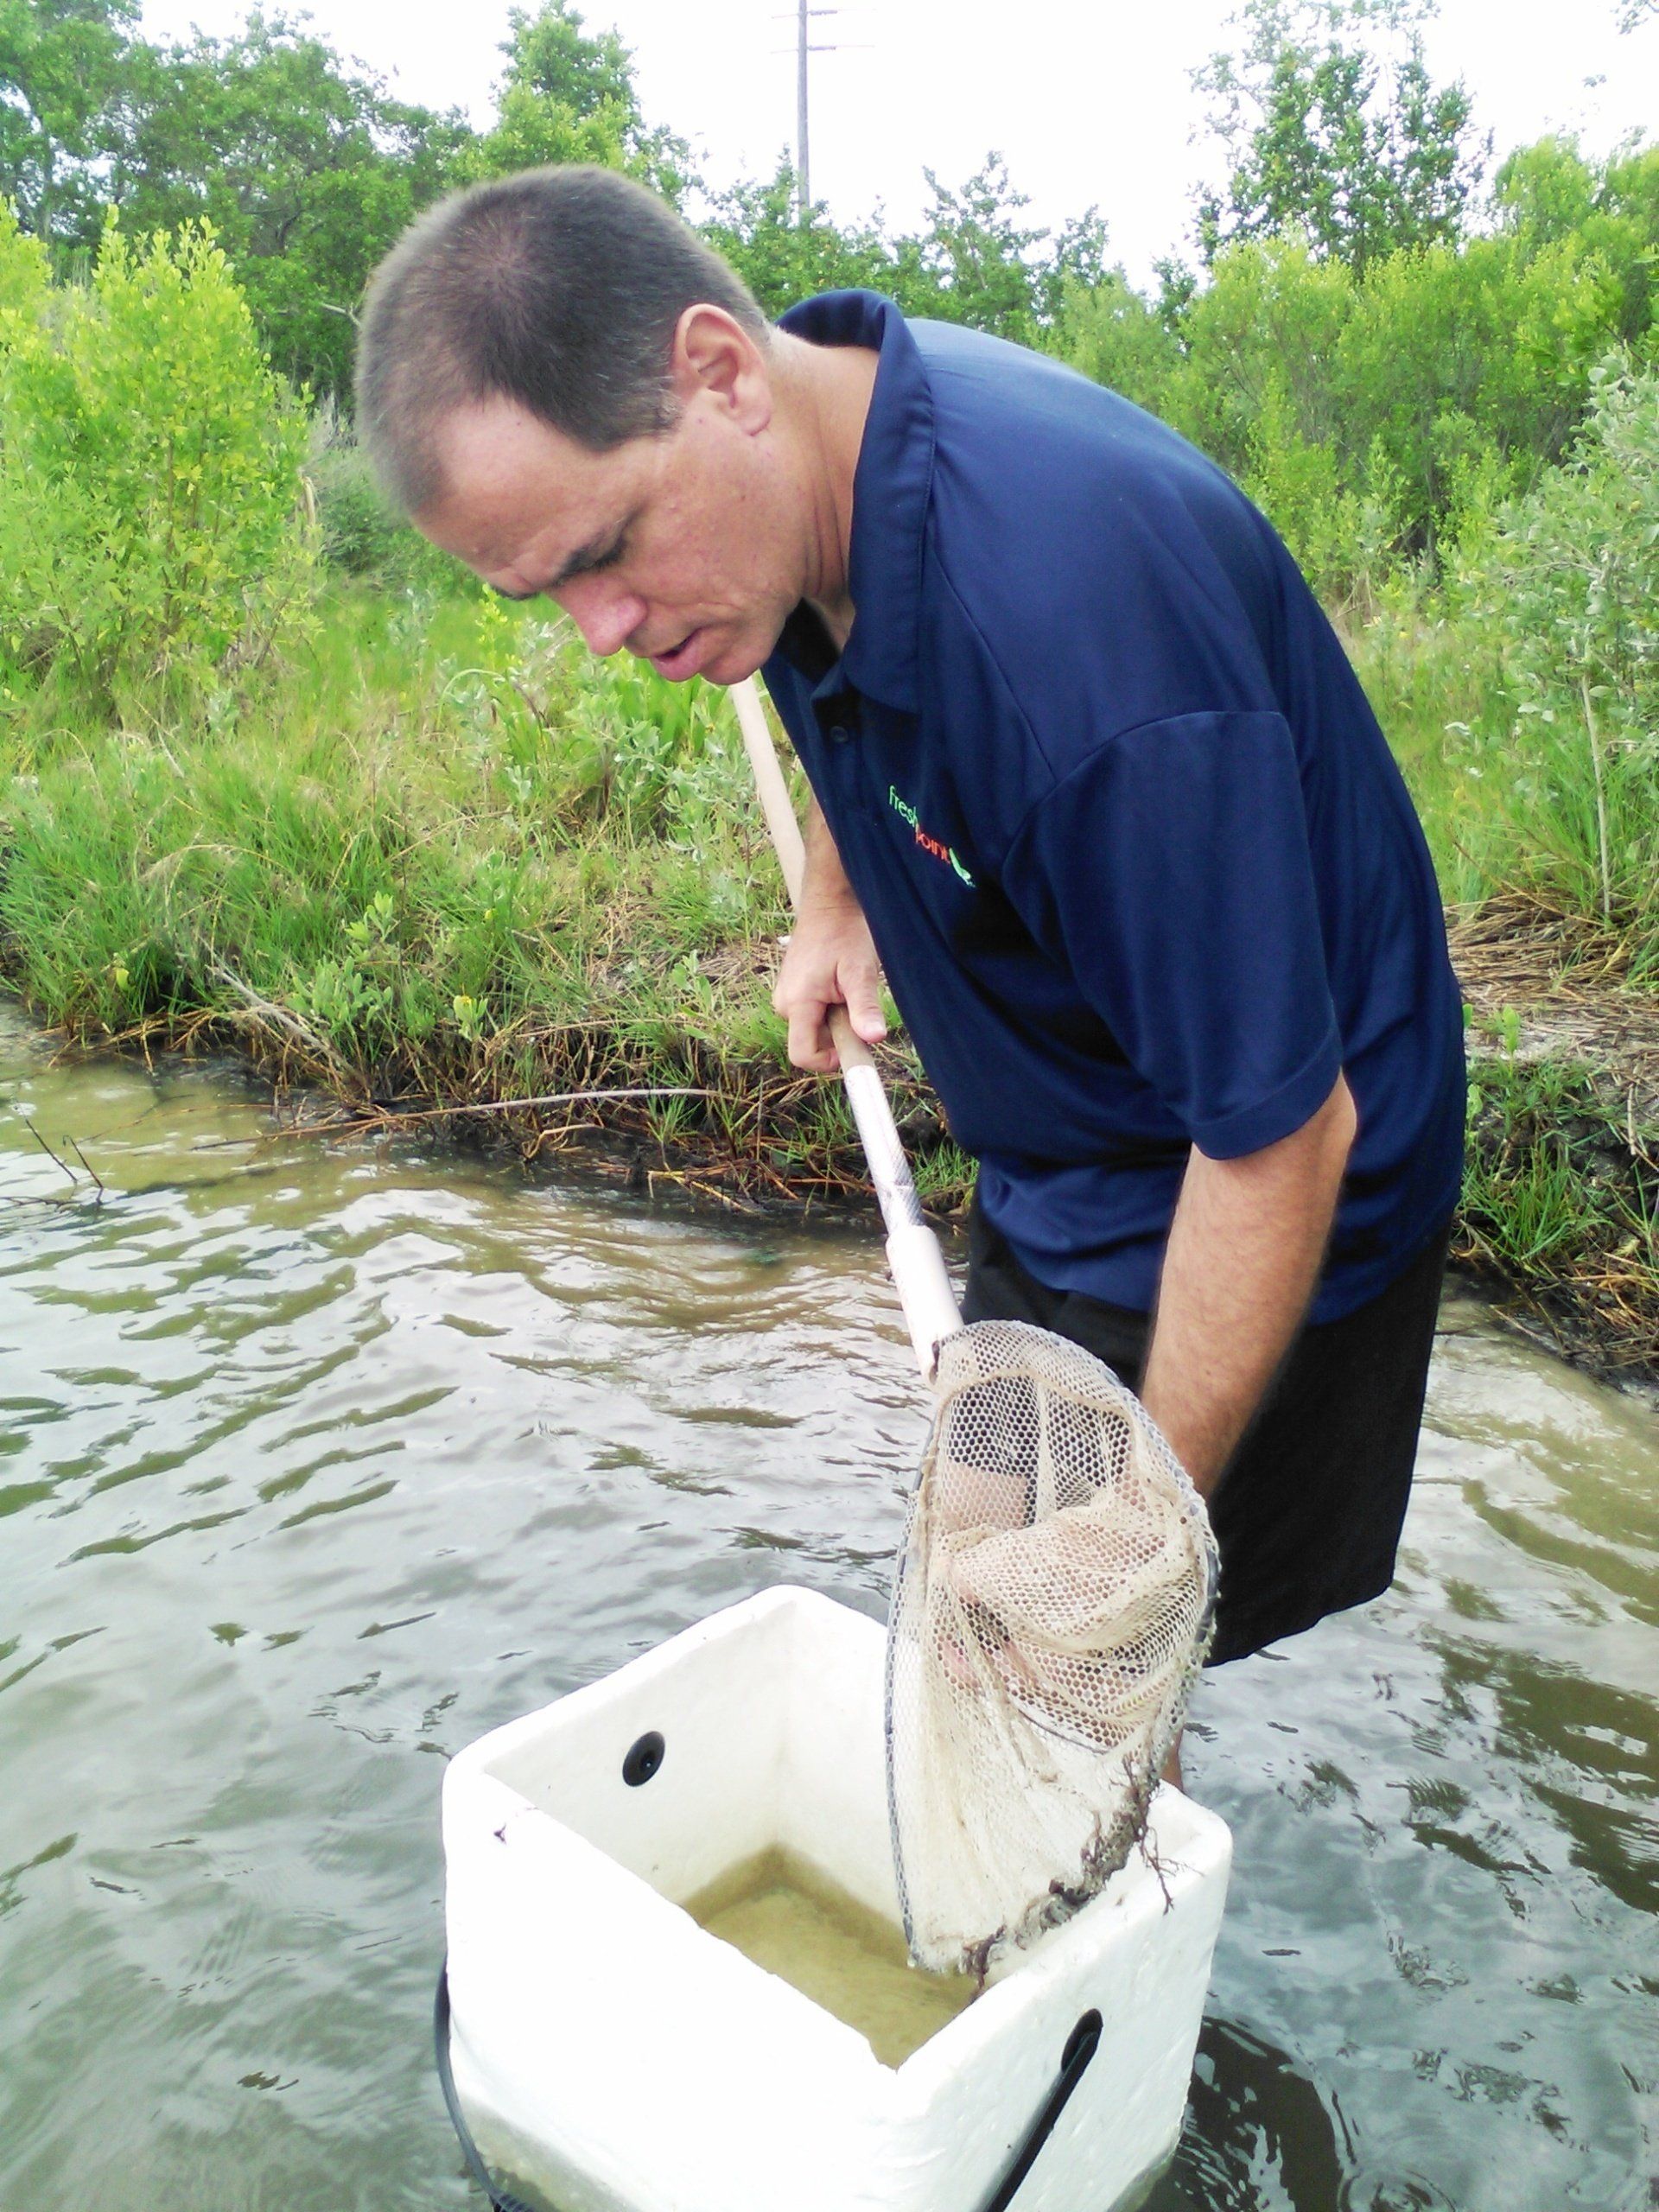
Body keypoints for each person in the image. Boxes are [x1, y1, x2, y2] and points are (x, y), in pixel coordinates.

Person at [355, 165, 1465, 1669]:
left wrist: (1121, 1563)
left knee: (1084, 1667)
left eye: (603, 552)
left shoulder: (1074, 643)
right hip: (1067, 1152)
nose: (601, 630)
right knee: (985, 1616)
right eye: (541, 593)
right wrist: (844, 887)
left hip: (1256, 1203)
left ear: (719, 373)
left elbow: (1281, 1140)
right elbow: (855, 677)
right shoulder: (800, 484)